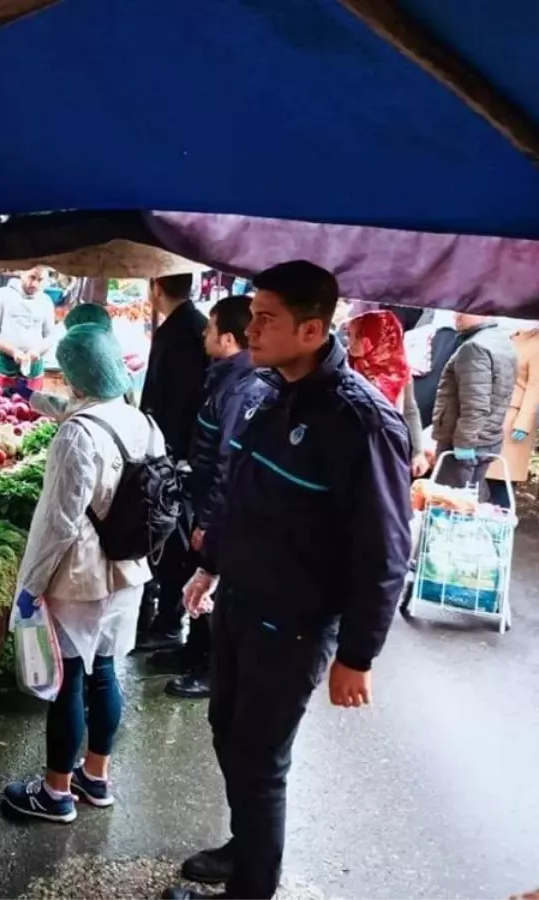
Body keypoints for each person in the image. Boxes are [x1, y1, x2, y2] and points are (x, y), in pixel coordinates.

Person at [161, 261, 411, 900]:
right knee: (226, 730)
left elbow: (385, 549)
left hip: (296, 623)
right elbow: (241, 492)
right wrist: (211, 565)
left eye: (267, 318)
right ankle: (245, 846)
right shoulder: (264, 391)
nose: (252, 328)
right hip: (241, 602)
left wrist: (357, 654)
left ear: (311, 329)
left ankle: (252, 888)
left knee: (260, 760)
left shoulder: (361, 421)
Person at [1, 323, 163, 823]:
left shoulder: (76, 434)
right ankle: (96, 777)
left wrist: (29, 586)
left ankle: (55, 793)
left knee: (68, 680)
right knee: (107, 672)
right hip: (129, 570)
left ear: (74, 374)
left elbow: (59, 521)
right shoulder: (143, 422)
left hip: (82, 576)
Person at [158, 294, 261, 700]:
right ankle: (192, 651)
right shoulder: (225, 376)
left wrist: (208, 522)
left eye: (211, 327)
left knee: (210, 585)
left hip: (217, 511)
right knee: (196, 582)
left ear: (231, 339)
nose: (204, 332)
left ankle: (209, 670)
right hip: (203, 501)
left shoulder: (241, 389)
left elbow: (226, 464)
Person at [138, 273, 209, 653]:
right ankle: (166, 618)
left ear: (156, 287)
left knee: (173, 541)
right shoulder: (193, 326)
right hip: (182, 453)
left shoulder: (180, 331)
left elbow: (171, 400)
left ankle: (167, 621)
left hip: (174, 456)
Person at [431, 314, 518, 499]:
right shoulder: (502, 340)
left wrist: (463, 444)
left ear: (485, 312)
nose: (457, 315)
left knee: (450, 507)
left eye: (465, 310)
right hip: (487, 441)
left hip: (464, 445)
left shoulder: (475, 347)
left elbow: (475, 405)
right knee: (472, 499)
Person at [345, 310, 429, 477]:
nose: (349, 343)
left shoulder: (400, 372)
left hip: (387, 450)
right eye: (348, 336)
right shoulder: (347, 368)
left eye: (356, 337)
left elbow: (410, 411)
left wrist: (418, 453)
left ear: (376, 339)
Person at [485, 321, 539, 508]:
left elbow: (537, 387)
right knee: (482, 476)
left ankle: (500, 529)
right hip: (491, 410)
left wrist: (523, 422)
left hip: (513, 415)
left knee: (502, 480)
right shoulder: (509, 336)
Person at [0, 266, 56, 397]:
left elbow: (50, 336)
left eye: (40, 280)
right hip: (4, 366)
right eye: (32, 277)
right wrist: (14, 351)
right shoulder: (2, 295)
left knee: (29, 411)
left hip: (33, 368)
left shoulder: (45, 301)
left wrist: (37, 351)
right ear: (22, 272)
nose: (35, 284)